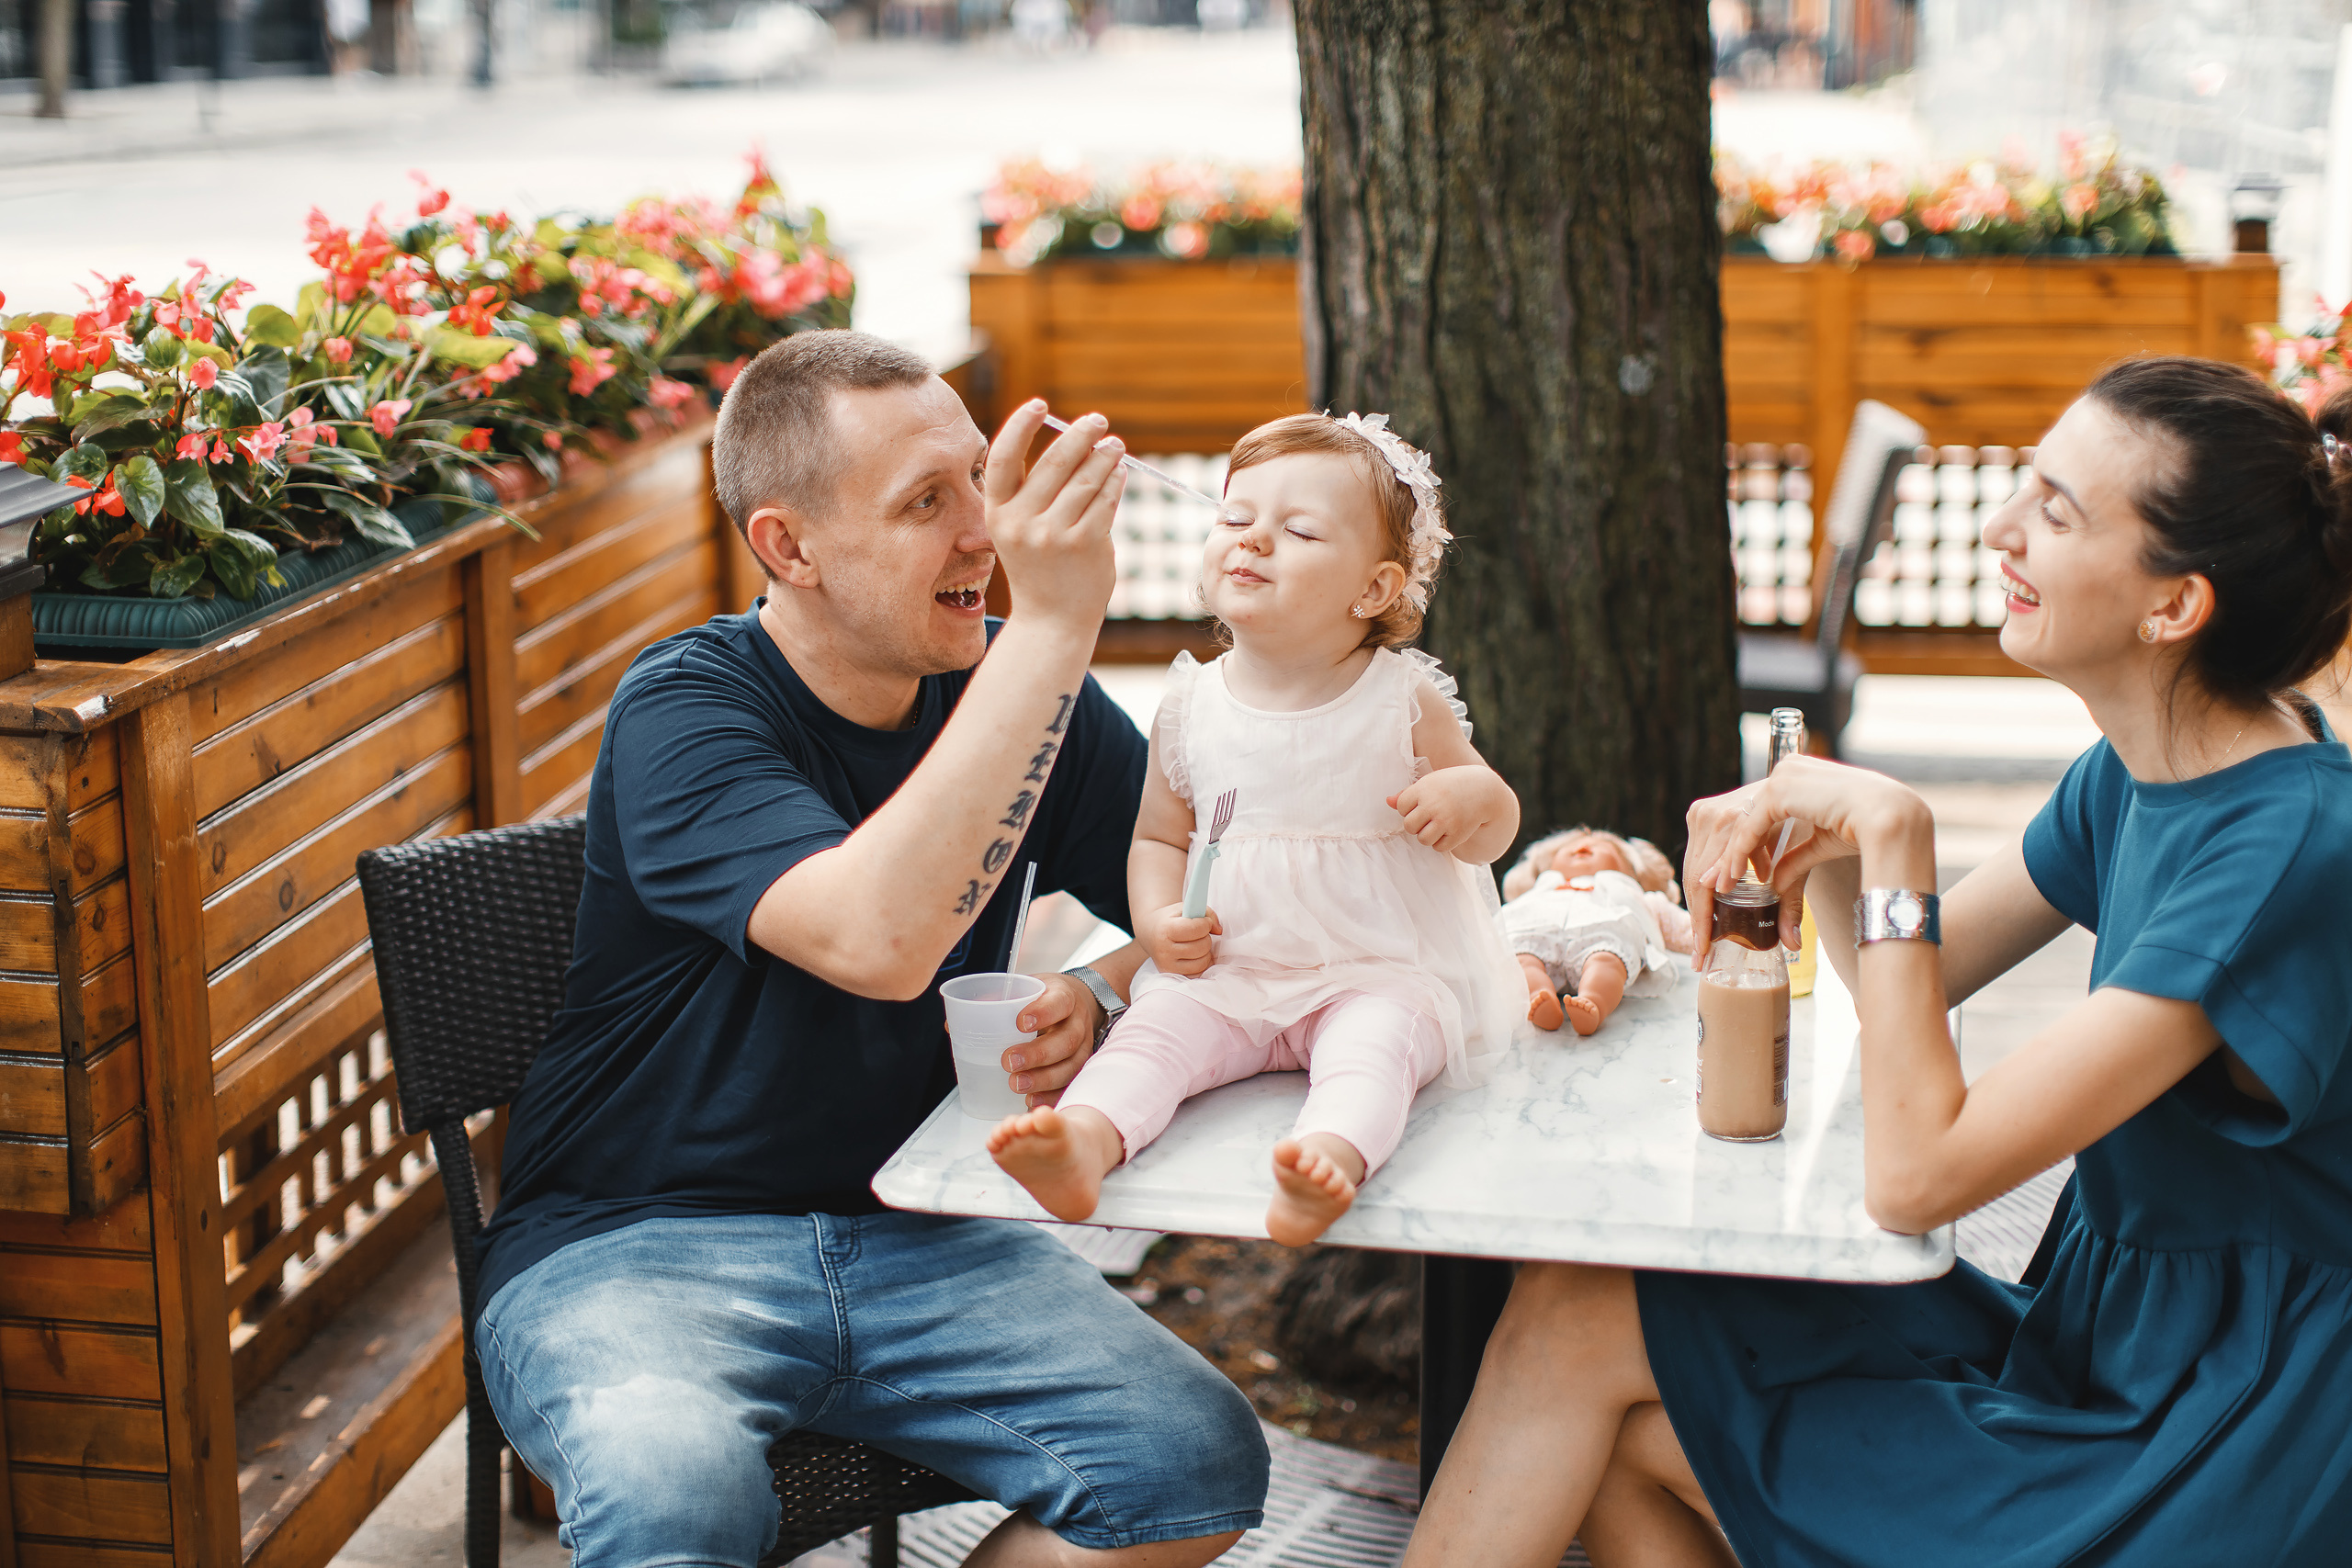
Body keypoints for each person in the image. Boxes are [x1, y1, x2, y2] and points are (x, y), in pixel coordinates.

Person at [1405, 357, 2352, 1567]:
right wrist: (1835, 849)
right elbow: (1911, 978)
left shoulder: (2288, 847)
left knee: (1612, 1397)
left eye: (2055, 512)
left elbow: (1922, 1173)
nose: (2003, 527)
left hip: (2225, 1438)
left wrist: (1895, 834)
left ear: (2175, 607)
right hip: (2110, 1346)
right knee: (1584, 1305)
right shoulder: (2143, 768)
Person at [471, 331, 1269, 1568]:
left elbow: (1245, 898)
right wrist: (1058, 625)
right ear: (789, 546)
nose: (983, 536)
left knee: (1193, 1460)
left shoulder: (1004, 681)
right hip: (634, 1244)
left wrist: (1107, 989)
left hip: (925, 1224)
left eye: (978, 481)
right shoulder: (684, 706)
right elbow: (878, 937)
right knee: (678, 1502)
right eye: (924, 503)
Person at [986, 412, 1525, 1247]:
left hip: (1374, 966)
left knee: (1376, 1050)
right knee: (1157, 1032)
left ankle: (1324, 1162)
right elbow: (1161, 839)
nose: (1253, 540)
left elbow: (1495, 815)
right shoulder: (1191, 703)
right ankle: (1086, 1141)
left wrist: (1467, 805)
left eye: (1298, 529)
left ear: (1375, 589)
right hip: (1234, 966)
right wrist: (1160, 922)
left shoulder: (1399, 697)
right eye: (1235, 518)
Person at [1498, 827, 1693, 1035]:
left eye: (1601, 847)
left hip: (1601, 939)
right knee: (1522, 961)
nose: (1582, 847)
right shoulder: (1541, 889)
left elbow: (1685, 928)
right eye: (1568, 848)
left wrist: (1716, 936)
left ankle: (1594, 1001)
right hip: (1536, 937)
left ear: (1630, 870)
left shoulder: (1631, 892)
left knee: (1607, 961)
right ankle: (1537, 995)